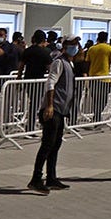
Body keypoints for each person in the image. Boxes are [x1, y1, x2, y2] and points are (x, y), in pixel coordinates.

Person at [28, 35, 79, 194]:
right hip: (54, 109)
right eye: (72, 44)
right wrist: (49, 105)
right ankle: (36, 178)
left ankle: (51, 177)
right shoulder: (59, 62)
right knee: (47, 144)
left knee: (55, 144)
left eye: (76, 44)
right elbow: (50, 83)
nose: (75, 47)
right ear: (64, 46)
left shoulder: (69, 63)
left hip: (61, 110)